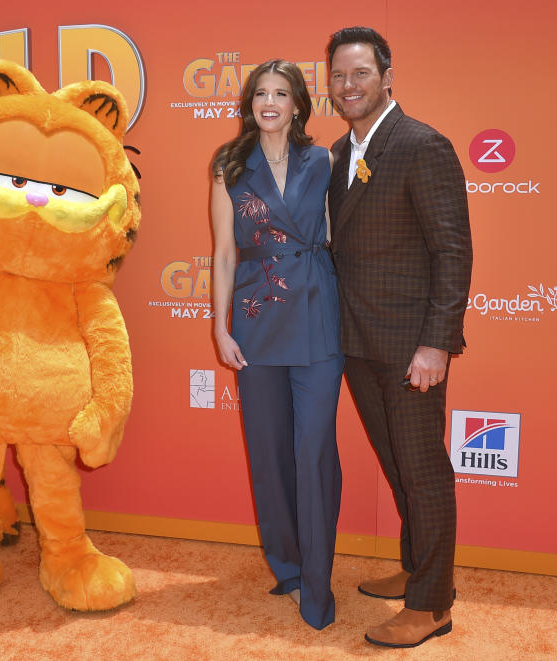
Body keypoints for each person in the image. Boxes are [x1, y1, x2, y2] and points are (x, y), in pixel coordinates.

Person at [325, 26, 473, 648]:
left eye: (360, 73)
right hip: (357, 341)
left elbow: (452, 250)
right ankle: (418, 568)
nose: (348, 85)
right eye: (338, 76)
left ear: (387, 77)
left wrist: (436, 343)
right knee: (398, 467)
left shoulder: (422, 145)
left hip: (412, 346)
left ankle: (432, 604)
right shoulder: (337, 153)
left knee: (423, 472)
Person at [211, 59, 343, 630]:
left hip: (317, 313)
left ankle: (317, 583)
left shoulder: (325, 160)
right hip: (257, 316)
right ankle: (287, 566)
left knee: (313, 452)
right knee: (267, 451)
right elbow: (221, 252)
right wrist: (219, 326)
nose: (270, 102)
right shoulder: (228, 164)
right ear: (250, 103)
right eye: (261, 93)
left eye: (281, 93)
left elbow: (338, 235)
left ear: (297, 105)